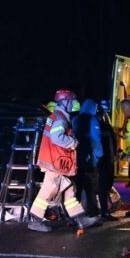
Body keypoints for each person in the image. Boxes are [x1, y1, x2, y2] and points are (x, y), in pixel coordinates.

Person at [29, 89, 98, 233]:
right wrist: (73, 142)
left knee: (69, 191)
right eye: (72, 100)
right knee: (48, 191)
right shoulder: (60, 118)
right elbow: (57, 138)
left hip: (57, 161)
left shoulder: (57, 116)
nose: (74, 103)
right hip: (55, 162)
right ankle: (35, 220)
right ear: (65, 102)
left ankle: (79, 219)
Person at [73, 99, 103, 217]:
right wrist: (98, 156)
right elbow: (96, 140)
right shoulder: (93, 120)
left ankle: (74, 216)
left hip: (77, 158)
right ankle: (92, 215)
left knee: (77, 188)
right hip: (89, 159)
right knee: (90, 187)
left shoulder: (75, 119)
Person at [97, 100, 118, 221]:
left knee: (105, 186)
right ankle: (104, 211)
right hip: (105, 160)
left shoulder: (103, 127)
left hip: (105, 160)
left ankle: (104, 210)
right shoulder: (104, 127)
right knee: (103, 186)